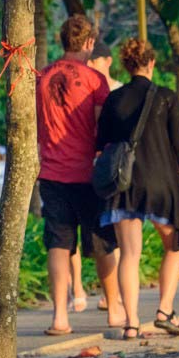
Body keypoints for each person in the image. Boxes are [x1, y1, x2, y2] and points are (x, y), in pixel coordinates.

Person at [96, 39, 179, 340]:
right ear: (151, 63)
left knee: (130, 254)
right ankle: (164, 310)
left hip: (124, 185)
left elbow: (100, 143)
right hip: (161, 185)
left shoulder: (114, 99)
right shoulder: (166, 97)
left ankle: (131, 324)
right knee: (175, 246)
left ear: (127, 66)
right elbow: (178, 146)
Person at [36, 15, 124, 335]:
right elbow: (101, 128)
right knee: (102, 242)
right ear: (89, 43)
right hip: (88, 174)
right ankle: (114, 309)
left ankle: (60, 316)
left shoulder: (42, 77)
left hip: (51, 173)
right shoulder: (94, 80)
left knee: (59, 244)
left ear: (63, 41)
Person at [67, 40, 125, 313]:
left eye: (96, 62)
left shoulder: (117, 91)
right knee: (72, 237)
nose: (90, 67)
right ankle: (77, 288)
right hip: (80, 165)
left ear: (108, 61)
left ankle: (112, 296)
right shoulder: (83, 85)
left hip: (103, 171)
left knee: (108, 237)